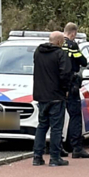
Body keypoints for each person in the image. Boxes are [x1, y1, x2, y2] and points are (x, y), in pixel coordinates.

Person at [32, 32, 72, 167]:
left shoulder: (38, 52)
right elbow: (65, 74)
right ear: (60, 42)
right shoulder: (60, 54)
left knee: (42, 125)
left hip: (41, 95)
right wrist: (65, 89)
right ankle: (55, 157)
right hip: (56, 96)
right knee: (56, 128)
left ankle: (37, 157)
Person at [62, 23, 89, 159]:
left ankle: (58, 146)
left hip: (55, 85)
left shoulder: (56, 44)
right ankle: (76, 148)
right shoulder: (72, 46)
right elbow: (83, 61)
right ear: (73, 33)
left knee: (57, 116)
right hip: (71, 85)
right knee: (75, 116)